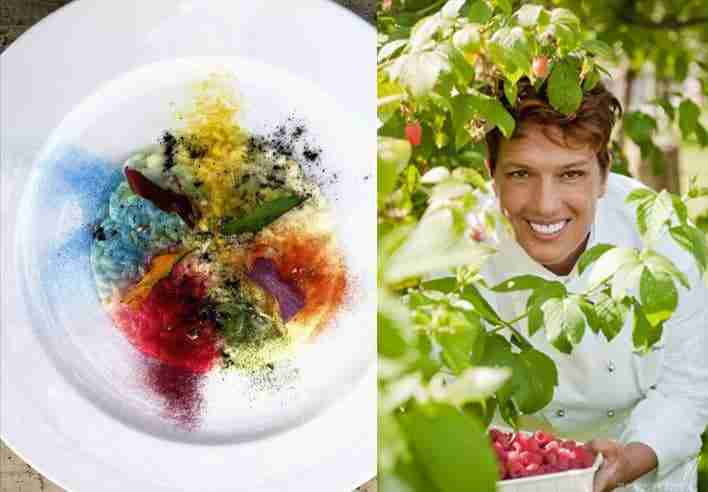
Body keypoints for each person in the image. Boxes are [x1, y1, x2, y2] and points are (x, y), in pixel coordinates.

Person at [481, 78, 708, 491]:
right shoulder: (457, 239)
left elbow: (688, 387)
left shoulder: (660, 232)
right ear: (491, 174)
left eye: (570, 174)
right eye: (520, 173)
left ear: (604, 173)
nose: (545, 203)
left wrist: (627, 462)